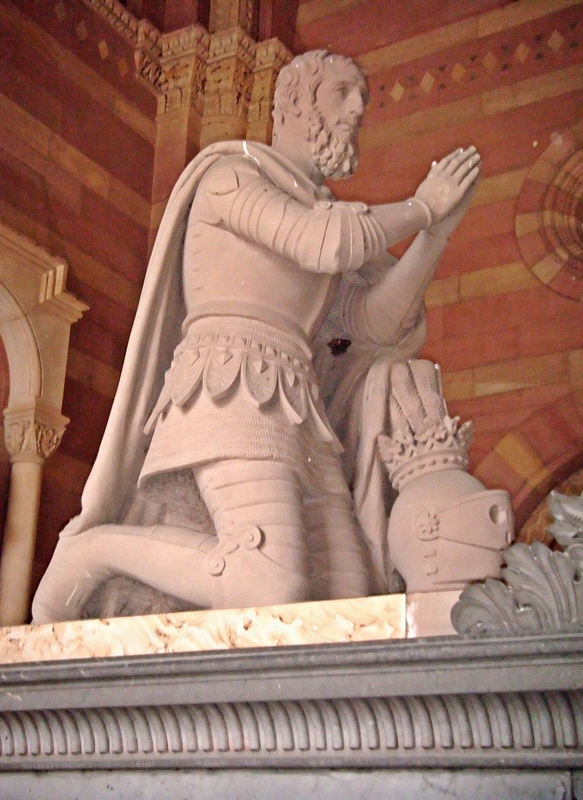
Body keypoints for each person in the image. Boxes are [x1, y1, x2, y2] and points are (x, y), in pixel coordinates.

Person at [32, 51, 480, 622]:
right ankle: (92, 552)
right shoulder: (232, 178)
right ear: (293, 103)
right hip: (229, 383)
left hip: (297, 403)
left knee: (346, 595)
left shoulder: (322, 212)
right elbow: (325, 243)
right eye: (342, 92)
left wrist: (435, 234)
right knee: (270, 585)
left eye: (361, 98)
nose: (357, 109)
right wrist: (421, 206)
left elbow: (373, 323)